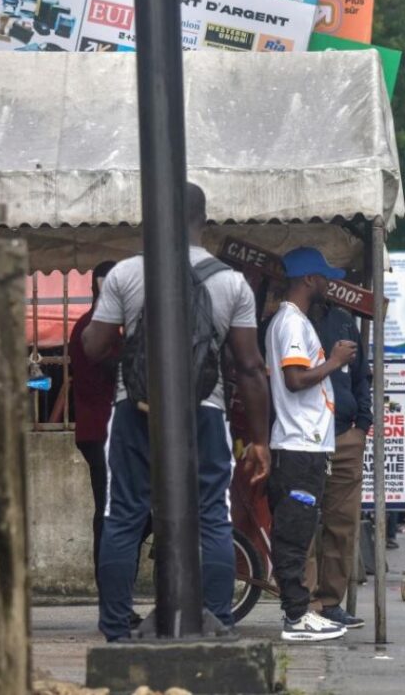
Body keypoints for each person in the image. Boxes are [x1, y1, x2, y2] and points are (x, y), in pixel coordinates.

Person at [82, 183, 271, 642]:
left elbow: (93, 345)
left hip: (136, 410)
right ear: (202, 222)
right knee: (212, 515)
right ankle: (217, 623)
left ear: (150, 218)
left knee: (123, 515)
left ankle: (116, 632)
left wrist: (129, 340)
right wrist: (262, 440)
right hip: (203, 413)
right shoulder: (231, 282)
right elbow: (249, 366)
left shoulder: (126, 274)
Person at [264, 247, 359, 642]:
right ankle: (296, 617)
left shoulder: (295, 321)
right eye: (323, 277)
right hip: (298, 447)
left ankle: (301, 612)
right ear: (307, 280)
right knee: (294, 534)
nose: (328, 283)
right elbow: (295, 379)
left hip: (307, 446)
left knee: (301, 531)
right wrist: (335, 361)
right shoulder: (290, 323)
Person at [303, 300, 373, 629]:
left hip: (346, 433)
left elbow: (362, 378)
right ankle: (305, 603)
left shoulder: (344, 321)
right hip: (304, 435)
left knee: (342, 523)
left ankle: (331, 602)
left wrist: (362, 423)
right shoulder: (288, 320)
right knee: (303, 521)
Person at [68, 260, 131, 606]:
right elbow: (117, 370)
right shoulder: (93, 328)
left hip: (107, 429)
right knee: (110, 510)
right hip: (100, 429)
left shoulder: (105, 326)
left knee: (120, 509)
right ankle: (111, 592)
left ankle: (116, 586)